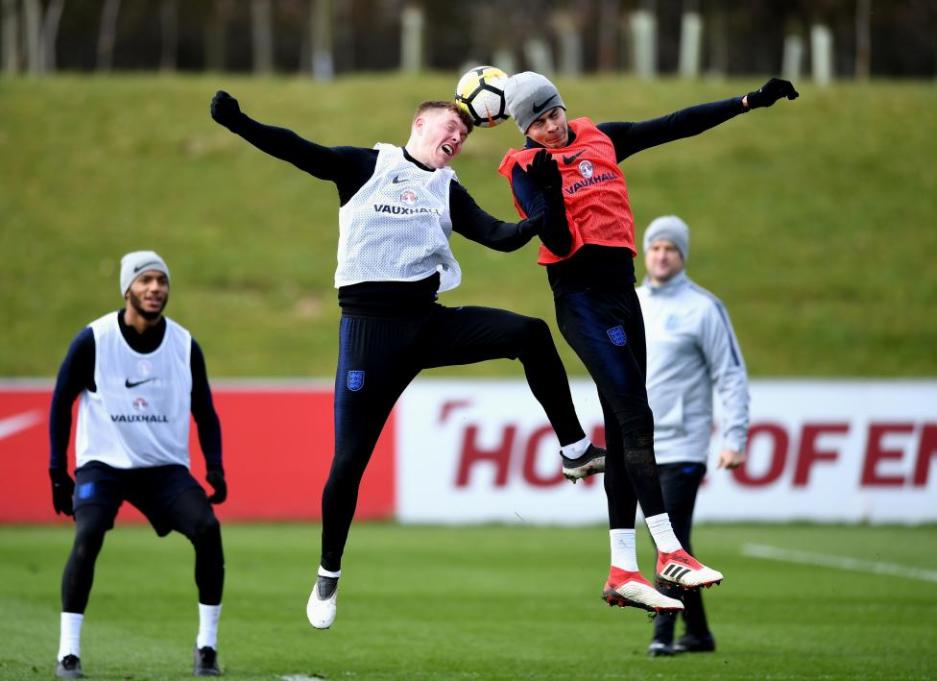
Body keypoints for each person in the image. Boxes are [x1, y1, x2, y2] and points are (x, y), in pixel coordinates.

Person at [209, 91, 604, 630]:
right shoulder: (366, 165)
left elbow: (499, 237)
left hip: (428, 324)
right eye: (451, 128)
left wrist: (542, 209)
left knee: (530, 334)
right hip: (368, 336)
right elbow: (298, 150)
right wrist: (238, 122)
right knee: (347, 465)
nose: (458, 139)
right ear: (420, 124)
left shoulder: (446, 188)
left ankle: (575, 449)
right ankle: (329, 572)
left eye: (464, 136)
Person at [496, 72, 796, 613]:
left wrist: (748, 101)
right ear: (525, 128)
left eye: (554, 112)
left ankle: (620, 569)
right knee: (637, 414)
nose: (551, 126)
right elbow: (559, 241)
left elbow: (675, 125)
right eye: (537, 121)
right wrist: (546, 190)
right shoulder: (524, 171)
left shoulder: (601, 138)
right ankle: (669, 550)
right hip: (581, 299)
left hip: (622, 296)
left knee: (623, 420)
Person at [48, 251, 227, 678]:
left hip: (163, 468)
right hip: (103, 465)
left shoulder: (184, 345)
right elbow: (60, 402)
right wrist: (58, 471)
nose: (155, 289)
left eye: (161, 281)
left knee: (207, 529)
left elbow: (205, 410)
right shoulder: (94, 339)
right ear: (127, 289)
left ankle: (207, 646)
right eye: (145, 280)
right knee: (88, 534)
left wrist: (215, 466)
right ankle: (68, 652)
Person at [636, 216, 749, 656]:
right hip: (641, 442)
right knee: (671, 538)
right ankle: (698, 633)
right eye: (656, 247)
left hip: (684, 441)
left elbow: (731, 375)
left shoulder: (703, 308)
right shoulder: (632, 302)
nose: (662, 255)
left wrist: (734, 437)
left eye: (671, 248)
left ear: (682, 255)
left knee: (670, 537)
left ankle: (663, 634)